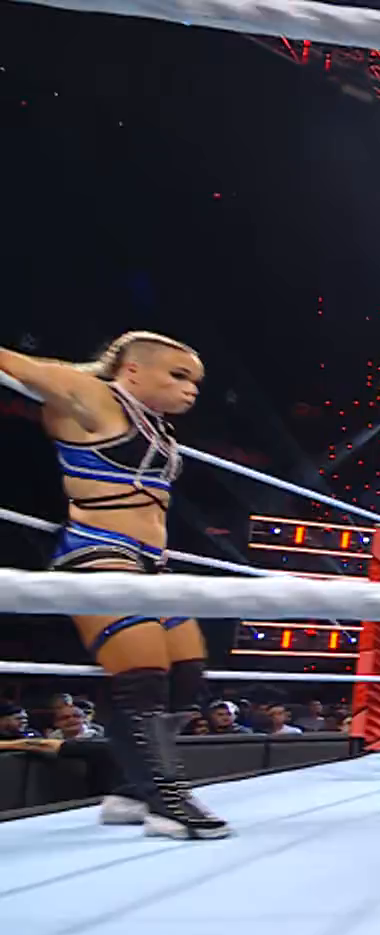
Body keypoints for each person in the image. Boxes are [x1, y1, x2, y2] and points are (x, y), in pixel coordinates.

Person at [0, 333, 227, 839]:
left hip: (151, 564)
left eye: (195, 380)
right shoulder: (94, 397)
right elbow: (17, 365)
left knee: (187, 672)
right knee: (143, 675)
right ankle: (165, 797)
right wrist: (82, 372)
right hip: (99, 553)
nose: (191, 389)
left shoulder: (155, 423)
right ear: (133, 371)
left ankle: (128, 790)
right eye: (178, 375)